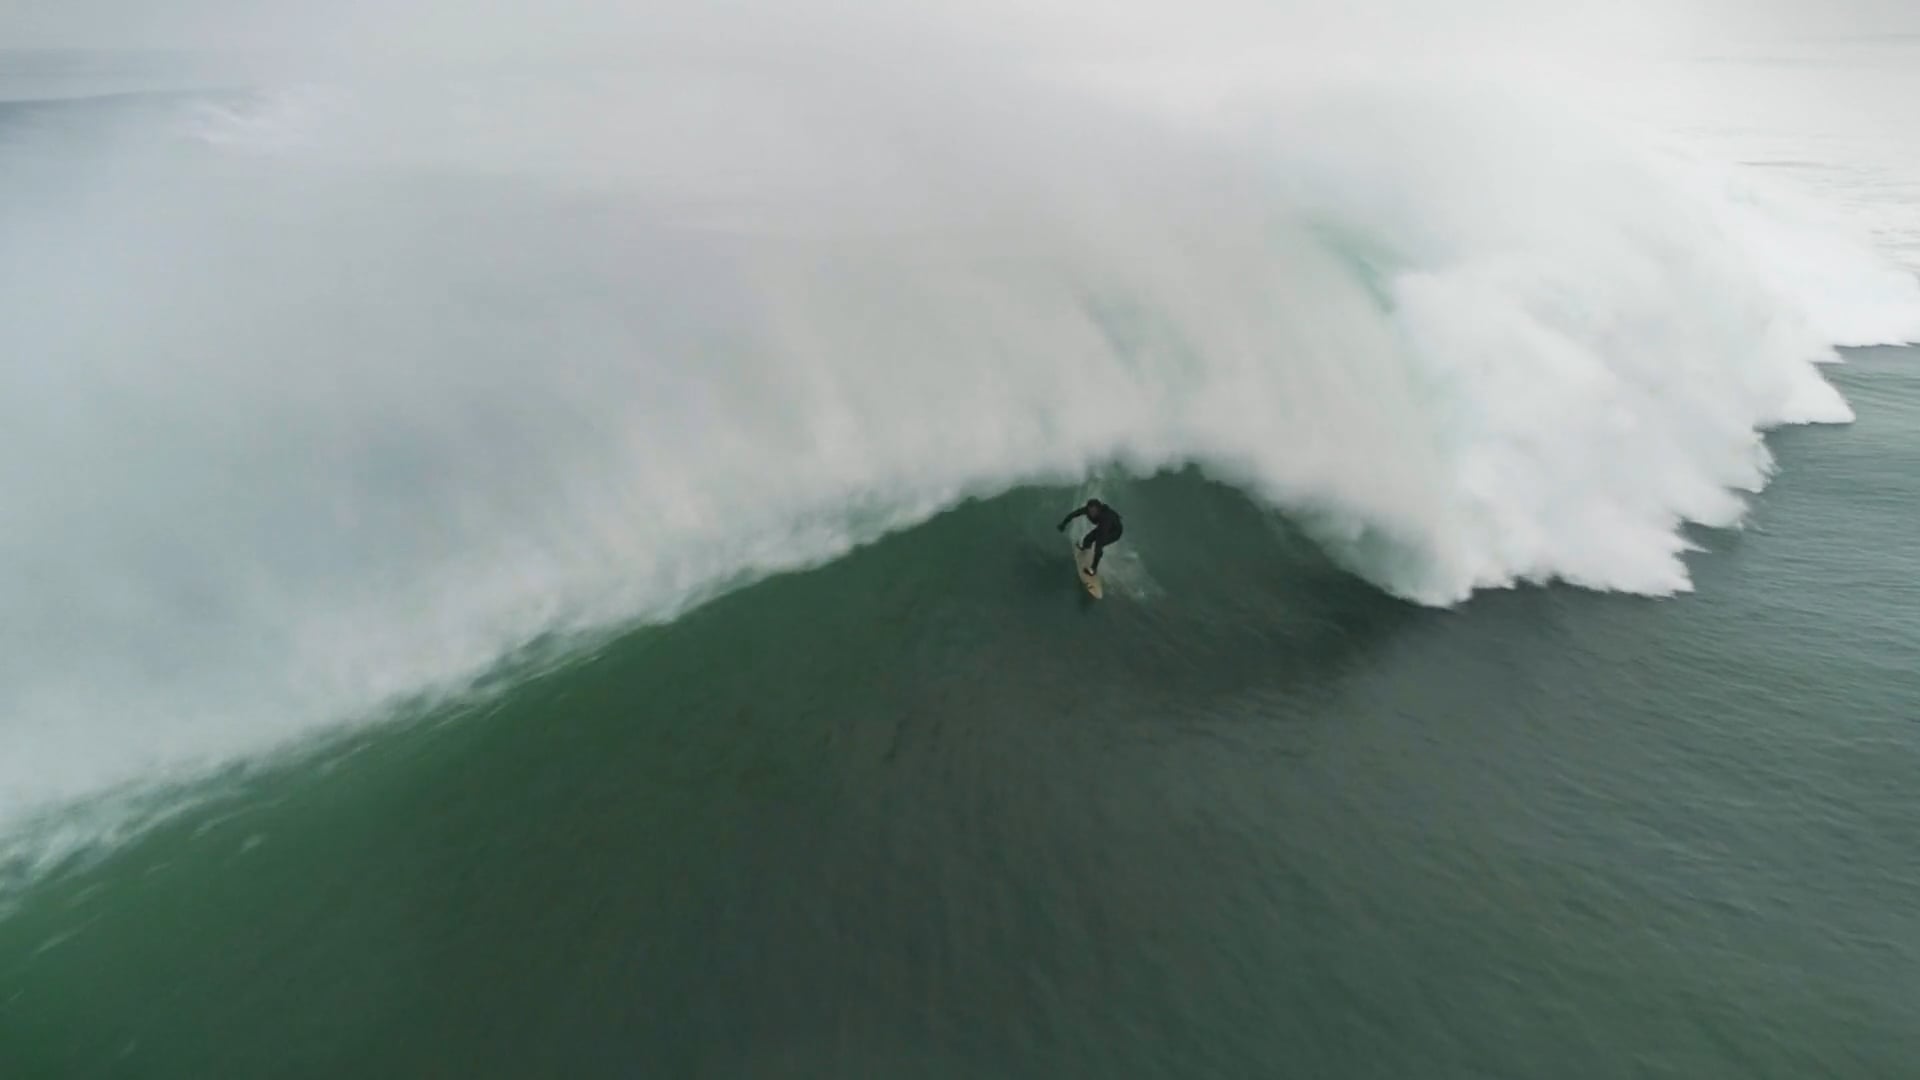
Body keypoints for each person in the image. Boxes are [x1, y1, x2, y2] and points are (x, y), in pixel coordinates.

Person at [1057, 497, 1124, 576]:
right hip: (1104, 526)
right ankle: (1085, 550)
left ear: (1098, 509)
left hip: (1115, 531)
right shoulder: (1087, 510)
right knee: (1087, 539)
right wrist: (1063, 524)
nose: (1091, 513)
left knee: (1099, 544)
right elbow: (1074, 514)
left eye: (1094, 511)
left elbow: (1102, 535)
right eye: (1090, 510)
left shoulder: (1105, 517)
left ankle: (1093, 569)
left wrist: (1099, 546)